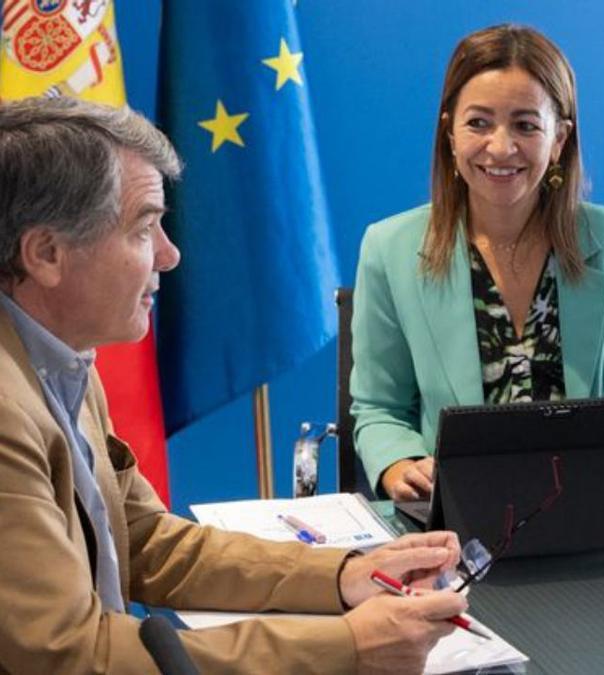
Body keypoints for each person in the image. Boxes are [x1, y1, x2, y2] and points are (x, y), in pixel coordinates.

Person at [0, 96, 468, 674]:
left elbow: (146, 541)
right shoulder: (6, 410)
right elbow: (69, 657)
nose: (170, 256)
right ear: (46, 253)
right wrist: (347, 647)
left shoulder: (59, 356)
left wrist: (347, 575)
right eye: (145, 227)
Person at [351, 24, 604, 502]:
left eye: (526, 125)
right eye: (478, 123)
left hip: (590, 508)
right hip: (454, 520)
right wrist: (399, 463)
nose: (501, 147)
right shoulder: (389, 248)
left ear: (560, 138)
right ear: (449, 132)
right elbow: (379, 406)